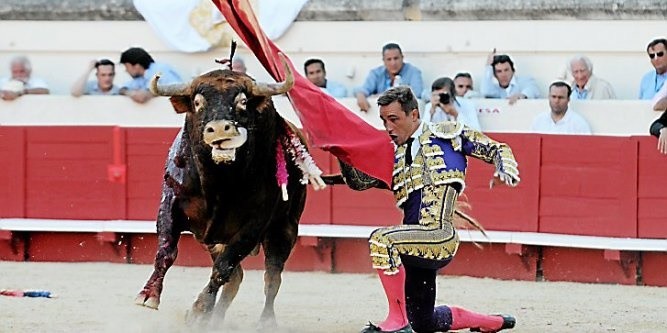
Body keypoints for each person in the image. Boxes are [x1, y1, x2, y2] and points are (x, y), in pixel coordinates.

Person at [335, 86, 519, 333]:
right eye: (383, 121)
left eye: (393, 119)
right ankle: (491, 322)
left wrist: (503, 169)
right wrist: (340, 151)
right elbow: (359, 182)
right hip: (411, 244)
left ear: (413, 115)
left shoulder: (447, 134)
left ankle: (397, 322)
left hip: (439, 236)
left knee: (381, 240)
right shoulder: (393, 154)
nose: (388, 128)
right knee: (424, 323)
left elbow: (497, 148)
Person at [353, 43, 424, 112]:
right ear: (383, 60)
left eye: (396, 58)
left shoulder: (413, 72)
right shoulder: (376, 73)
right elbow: (364, 89)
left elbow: (417, 93)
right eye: (389, 59)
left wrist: (380, 96)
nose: (393, 63)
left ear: (402, 57)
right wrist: (361, 95)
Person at [119, 47, 183, 104]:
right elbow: (122, 89)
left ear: (137, 66)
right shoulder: (140, 77)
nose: (126, 70)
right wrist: (131, 93)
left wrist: (148, 93)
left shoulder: (160, 70)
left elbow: (177, 89)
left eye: (127, 67)